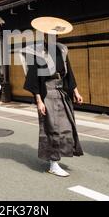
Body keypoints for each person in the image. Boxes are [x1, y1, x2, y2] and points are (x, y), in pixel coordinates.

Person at [22, 17, 84, 177]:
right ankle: (53, 163)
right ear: (43, 35)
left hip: (61, 91)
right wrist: (39, 100)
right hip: (47, 92)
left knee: (66, 126)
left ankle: (57, 157)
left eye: (55, 35)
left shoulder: (62, 49)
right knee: (51, 128)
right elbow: (33, 77)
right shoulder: (36, 51)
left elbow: (68, 72)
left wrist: (75, 91)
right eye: (49, 35)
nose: (53, 37)